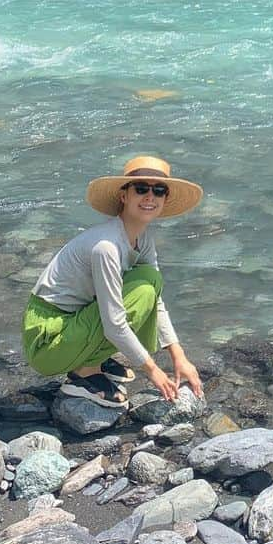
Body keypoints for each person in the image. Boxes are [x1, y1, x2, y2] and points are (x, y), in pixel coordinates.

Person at [21, 155, 204, 408]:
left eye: (159, 190)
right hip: (48, 341)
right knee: (140, 293)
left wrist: (178, 356)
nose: (150, 196)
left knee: (149, 281)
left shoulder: (143, 239)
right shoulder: (106, 247)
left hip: (75, 323)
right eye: (141, 189)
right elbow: (114, 323)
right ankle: (83, 372)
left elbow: (156, 300)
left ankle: (93, 355)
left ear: (164, 198)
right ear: (124, 196)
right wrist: (153, 371)